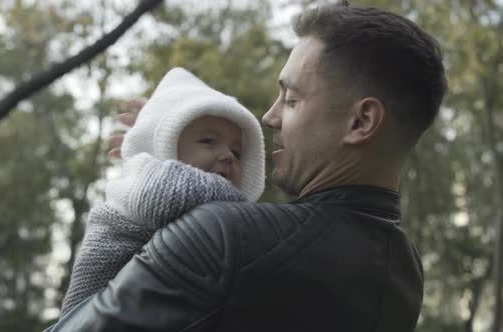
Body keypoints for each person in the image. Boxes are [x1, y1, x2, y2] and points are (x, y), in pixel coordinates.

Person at [45, 2, 447, 331]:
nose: (269, 117)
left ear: (361, 122)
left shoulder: (222, 238)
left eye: (291, 99)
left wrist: (157, 175)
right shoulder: (403, 274)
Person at [58, 67, 265, 316]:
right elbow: (186, 196)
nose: (228, 156)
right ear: (163, 144)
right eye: (208, 141)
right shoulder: (156, 187)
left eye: (238, 152)